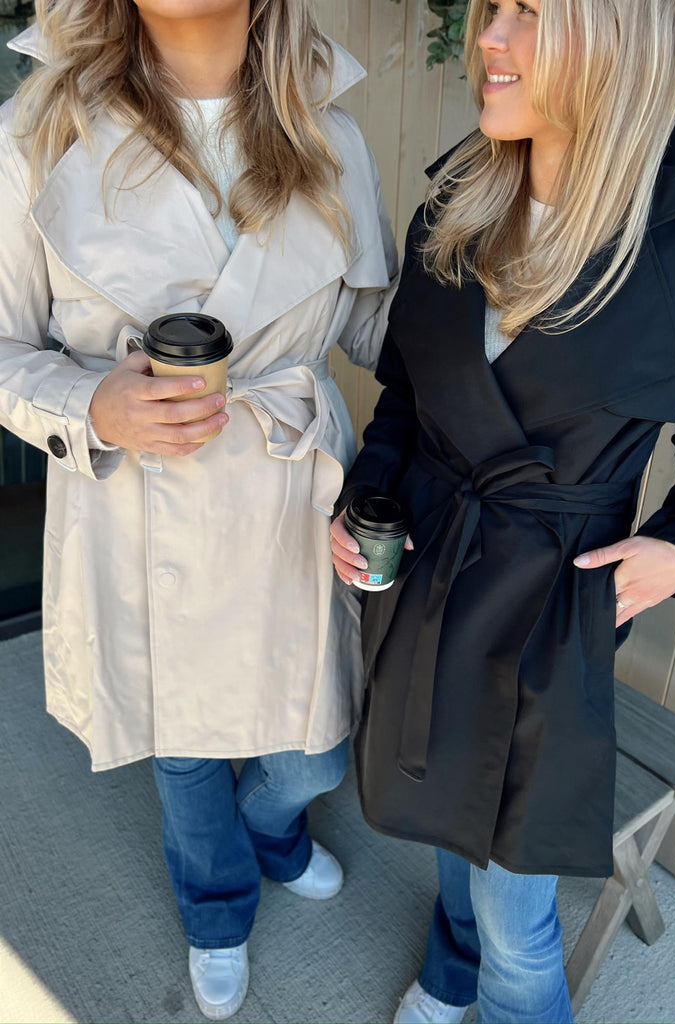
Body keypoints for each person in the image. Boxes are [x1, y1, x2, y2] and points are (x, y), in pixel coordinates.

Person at [330, 0, 675, 1021]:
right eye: (494, 7)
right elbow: (406, 396)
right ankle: (448, 972)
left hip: (553, 611)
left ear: (618, 35)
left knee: (519, 922)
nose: (488, 35)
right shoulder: (455, 205)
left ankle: (482, 976)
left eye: (530, 12)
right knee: (442, 801)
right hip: (429, 570)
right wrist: (367, 501)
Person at [0, 1, 397, 1019]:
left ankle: (271, 826)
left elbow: (374, 322)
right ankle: (215, 908)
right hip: (140, 503)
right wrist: (90, 403)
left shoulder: (329, 133)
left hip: (287, 494)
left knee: (312, 750)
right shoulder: (40, 131)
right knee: (183, 745)